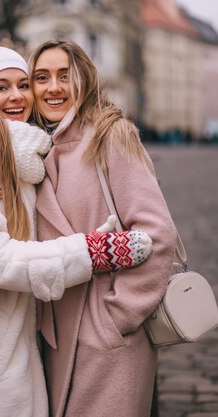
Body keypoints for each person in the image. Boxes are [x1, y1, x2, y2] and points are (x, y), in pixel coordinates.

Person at [0, 44, 153, 417]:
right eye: (0, 87)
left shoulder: (15, 156)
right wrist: (88, 252)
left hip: (7, 351)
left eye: (23, 84)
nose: (16, 96)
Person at [29, 39, 178, 417]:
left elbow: (157, 233)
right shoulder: (34, 152)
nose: (53, 88)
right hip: (55, 339)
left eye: (65, 76)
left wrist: (117, 317)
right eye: (41, 77)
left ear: (85, 78)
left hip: (109, 335)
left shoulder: (111, 136)